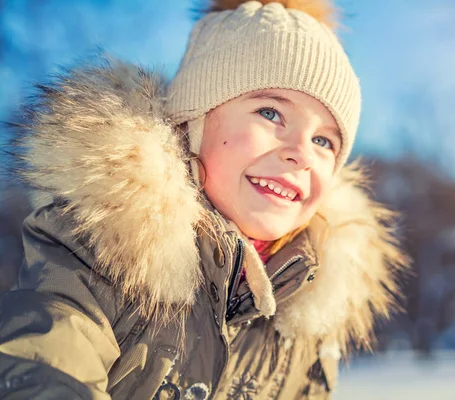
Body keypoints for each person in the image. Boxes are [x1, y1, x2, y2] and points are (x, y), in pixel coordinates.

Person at [0, 0, 408, 399]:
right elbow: (49, 357)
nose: (300, 153)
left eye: (323, 141)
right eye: (270, 113)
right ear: (193, 118)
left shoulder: (306, 301)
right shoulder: (101, 245)